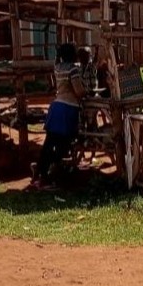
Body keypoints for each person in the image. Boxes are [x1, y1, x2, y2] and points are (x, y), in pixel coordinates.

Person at [32, 43, 86, 188]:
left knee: (49, 144)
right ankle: (50, 173)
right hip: (67, 111)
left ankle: (40, 172)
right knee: (64, 146)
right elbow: (79, 91)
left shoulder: (58, 68)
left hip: (56, 108)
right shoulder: (73, 69)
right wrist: (86, 92)